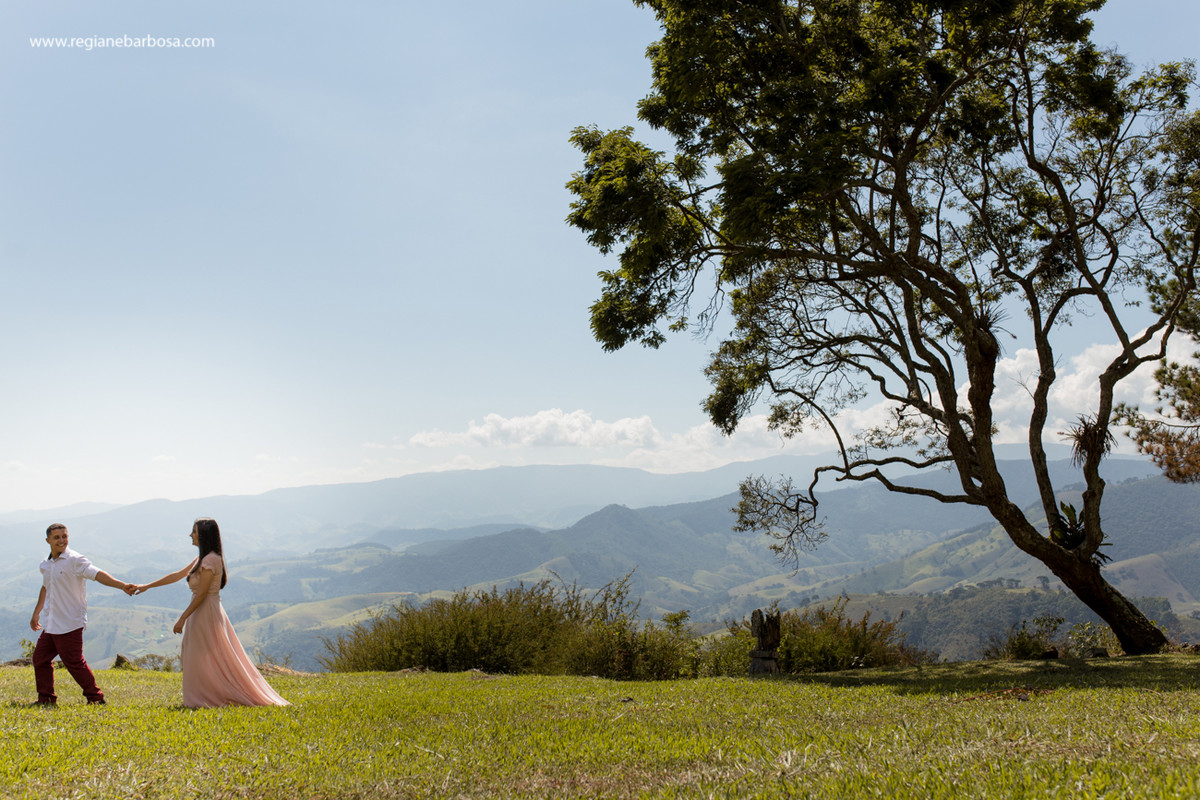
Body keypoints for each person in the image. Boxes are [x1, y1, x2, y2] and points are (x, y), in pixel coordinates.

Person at [133, 517, 289, 708]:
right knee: (195, 654)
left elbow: (201, 595)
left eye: (194, 531)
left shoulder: (211, 560)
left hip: (205, 611)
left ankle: (206, 697)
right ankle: (203, 695)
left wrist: (182, 618)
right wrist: (147, 586)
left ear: (204, 535)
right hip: (201, 611)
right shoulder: (201, 559)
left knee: (201, 655)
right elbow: (176, 576)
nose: (190, 535)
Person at [30, 523, 136, 706]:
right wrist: (36, 613)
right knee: (40, 659)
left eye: (64, 536)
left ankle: (96, 698)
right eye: (57, 537)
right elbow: (46, 587)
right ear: (48, 540)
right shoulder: (45, 565)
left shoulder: (75, 560)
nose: (61, 540)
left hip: (70, 622)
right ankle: (46, 699)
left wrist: (122, 585)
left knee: (74, 663)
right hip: (51, 623)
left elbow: (97, 574)